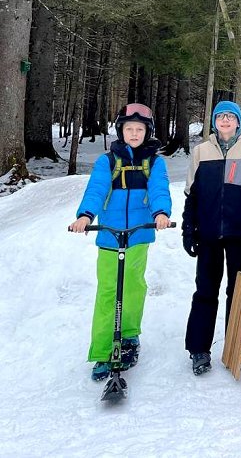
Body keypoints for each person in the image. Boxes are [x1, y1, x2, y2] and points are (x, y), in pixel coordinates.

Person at [70, 103, 172, 381]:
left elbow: (159, 188)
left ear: (147, 132)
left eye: (140, 129)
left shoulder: (154, 161)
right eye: (130, 129)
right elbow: (96, 189)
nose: (135, 133)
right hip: (109, 235)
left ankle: (128, 335)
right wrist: (85, 216)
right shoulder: (108, 160)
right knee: (107, 292)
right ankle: (103, 351)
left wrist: (161, 213)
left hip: (138, 235)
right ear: (121, 131)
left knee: (133, 286)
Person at [181, 100, 241, 376]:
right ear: (214, 122)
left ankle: (237, 344)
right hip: (208, 233)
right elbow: (191, 195)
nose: (226, 121)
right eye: (221, 117)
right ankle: (199, 348)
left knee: (239, 291)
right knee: (205, 291)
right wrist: (188, 228)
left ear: (239, 122)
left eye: (231, 117)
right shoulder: (201, 151)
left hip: (239, 234)